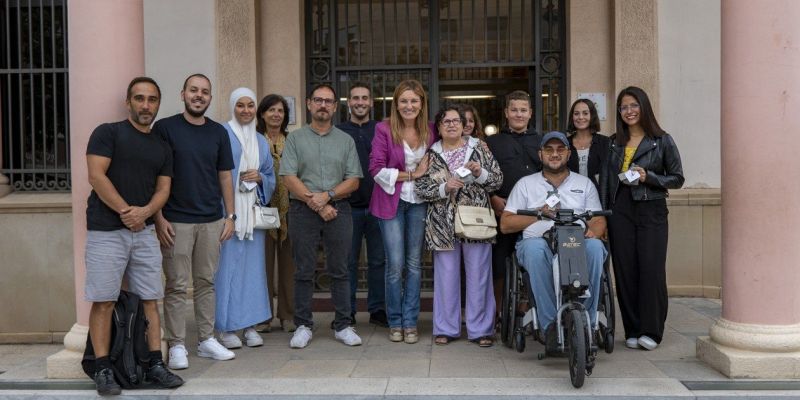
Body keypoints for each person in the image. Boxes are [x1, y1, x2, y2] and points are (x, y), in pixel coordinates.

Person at [84, 77, 183, 395]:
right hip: (106, 230)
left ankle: (155, 364)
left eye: (152, 99)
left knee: (152, 298)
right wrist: (128, 211)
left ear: (157, 103)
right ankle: (102, 370)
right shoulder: (108, 133)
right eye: (139, 98)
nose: (146, 105)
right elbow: (96, 176)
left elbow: (163, 189)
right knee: (104, 300)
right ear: (128, 102)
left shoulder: (161, 146)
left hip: (144, 233)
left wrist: (144, 214)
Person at [153, 73, 237, 369]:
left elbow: (225, 175)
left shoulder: (218, 132)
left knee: (206, 282)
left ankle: (205, 340)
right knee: (176, 285)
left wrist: (231, 216)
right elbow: (156, 175)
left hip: (211, 220)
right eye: (193, 90)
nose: (199, 95)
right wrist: (159, 217)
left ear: (210, 98)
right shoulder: (165, 129)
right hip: (176, 221)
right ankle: (176, 344)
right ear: (183, 94)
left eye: (204, 92)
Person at [500, 131, 607, 353]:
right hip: (538, 240)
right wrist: (537, 214)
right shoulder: (525, 184)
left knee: (596, 248)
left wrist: (593, 233)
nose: (555, 154)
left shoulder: (584, 183)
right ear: (540, 154)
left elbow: (598, 219)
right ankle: (550, 327)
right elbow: (506, 224)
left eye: (560, 149)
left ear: (569, 154)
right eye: (549, 149)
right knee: (534, 250)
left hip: (575, 240)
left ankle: (586, 324)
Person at [599, 86, 684, 351]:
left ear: (643, 107)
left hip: (651, 208)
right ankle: (633, 329)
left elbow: (678, 178)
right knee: (625, 271)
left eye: (633, 105)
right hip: (619, 210)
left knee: (651, 269)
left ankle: (652, 330)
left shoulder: (661, 140)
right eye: (624, 107)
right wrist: (602, 216)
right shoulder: (614, 142)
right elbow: (606, 182)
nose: (629, 111)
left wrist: (650, 177)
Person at [280, 83, 364, 349]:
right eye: (318, 100)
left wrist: (327, 196)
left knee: (340, 269)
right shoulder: (295, 138)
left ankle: (342, 325)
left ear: (335, 107)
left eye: (328, 101)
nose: (323, 105)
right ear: (308, 104)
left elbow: (353, 181)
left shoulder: (345, 140)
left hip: (339, 209)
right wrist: (317, 203)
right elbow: (288, 177)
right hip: (302, 211)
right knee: (303, 270)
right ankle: (303, 325)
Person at [415, 105, 502, 347]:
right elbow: (420, 188)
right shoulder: (430, 155)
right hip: (442, 223)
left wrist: (480, 172)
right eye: (446, 121)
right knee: (446, 277)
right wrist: (445, 187)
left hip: (476, 220)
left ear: (464, 125)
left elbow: (497, 179)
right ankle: (446, 328)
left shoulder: (479, 149)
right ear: (439, 127)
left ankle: (481, 329)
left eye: (456, 121)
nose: (452, 125)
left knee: (479, 275)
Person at [368, 79, 436, 344]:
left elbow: (453, 147)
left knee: (415, 265)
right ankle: (395, 321)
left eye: (414, 101)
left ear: (422, 104)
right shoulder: (384, 129)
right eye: (404, 101)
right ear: (396, 104)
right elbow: (376, 169)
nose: (409, 106)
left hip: (419, 202)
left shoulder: (431, 130)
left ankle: (411, 322)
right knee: (395, 265)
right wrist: (412, 174)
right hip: (390, 203)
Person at [215, 88, 276, 349]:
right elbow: (214, 171)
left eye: (250, 105)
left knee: (253, 272)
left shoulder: (261, 140)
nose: (246, 110)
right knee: (227, 270)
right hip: (227, 213)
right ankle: (226, 327)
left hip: (252, 216)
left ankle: (250, 325)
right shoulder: (221, 134)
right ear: (232, 107)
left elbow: (270, 175)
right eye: (240, 105)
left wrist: (260, 178)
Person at [484, 90, 542, 320]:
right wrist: (493, 198)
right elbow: (484, 176)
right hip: (503, 211)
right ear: (506, 113)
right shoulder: (491, 143)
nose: (519, 114)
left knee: (533, 262)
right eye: (514, 110)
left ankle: (527, 310)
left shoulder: (542, 142)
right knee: (498, 265)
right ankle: (496, 313)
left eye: (523, 110)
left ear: (530, 113)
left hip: (537, 214)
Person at [335, 83, 388, 328]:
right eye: (355, 98)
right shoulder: (338, 131)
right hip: (348, 207)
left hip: (379, 206)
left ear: (371, 102)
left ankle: (378, 309)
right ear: (348, 102)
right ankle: (349, 312)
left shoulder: (382, 129)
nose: (360, 102)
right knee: (348, 262)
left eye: (364, 98)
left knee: (379, 261)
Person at [255, 94, 296, 333]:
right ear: (262, 114)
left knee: (290, 265)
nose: (276, 114)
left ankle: (288, 315)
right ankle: (263, 316)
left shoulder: (293, 140)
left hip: (290, 208)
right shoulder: (254, 140)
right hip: (261, 209)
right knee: (263, 265)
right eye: (271, 110)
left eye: (280, 110)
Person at [566, 98, 610, 189]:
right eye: (576, 113)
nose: (581, 117)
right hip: (571, 198)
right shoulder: (565, 144)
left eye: (585, 113)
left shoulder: (605, 143)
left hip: (598, 198)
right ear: (572, 117)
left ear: (592, 116)